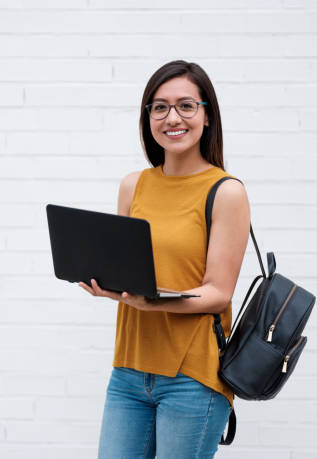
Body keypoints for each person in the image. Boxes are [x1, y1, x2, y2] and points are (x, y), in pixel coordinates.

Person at [79, 60, 251, 458]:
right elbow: (128, 275)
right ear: (148, 117)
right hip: (129, 370)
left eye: (186, 105)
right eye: (160, 107)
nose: (172, 117)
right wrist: (108, 286)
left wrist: (154, 300)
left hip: (191, 377)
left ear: (207, 116)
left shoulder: (226, 192)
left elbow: (219, 294)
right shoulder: (133, 185)